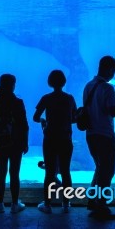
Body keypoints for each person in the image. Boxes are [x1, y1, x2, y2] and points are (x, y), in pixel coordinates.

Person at [83, 55, 115, 220]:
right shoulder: (107, 88)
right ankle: (101, 206)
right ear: (108, 69)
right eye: (113, 71)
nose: (113, 75)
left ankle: (93, 202)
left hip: (91, 134)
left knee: (100, 169)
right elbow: (112, 112)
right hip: (104, 134)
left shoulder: (88, 86)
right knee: (107, 171)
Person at [33, 70, 77, 214]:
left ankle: (47, 204)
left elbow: (35, 117)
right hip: (65, 138)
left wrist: (44, 121)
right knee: (66, 172)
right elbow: (75, 119)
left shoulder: (46, 98)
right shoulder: (70, 99)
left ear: (50, 82)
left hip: (50, 138)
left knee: (50, 173)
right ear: (64, 82)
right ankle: (66, 203)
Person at [0, 74, 29, 214]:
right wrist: (25, 142)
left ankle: (0, 204)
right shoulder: (18, 102)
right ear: (13, 85)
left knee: (1, 172)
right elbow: (24, 125)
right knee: (14, 173)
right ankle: (14, 204)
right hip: (16, 143)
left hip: (0, 143)